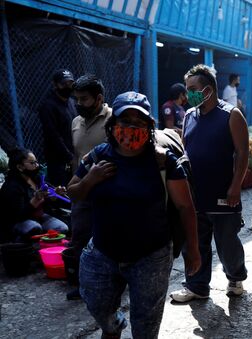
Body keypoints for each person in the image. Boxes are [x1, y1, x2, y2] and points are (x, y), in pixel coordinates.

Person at [68, 91, 200, 339]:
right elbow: (73, 193)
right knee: (97, 306)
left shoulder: (164, 161)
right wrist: (90, 179)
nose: (131, 129)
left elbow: (185, 207)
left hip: (151, 257)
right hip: (103, 253)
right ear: (112, 125)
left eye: (139, 122)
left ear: (149, 126)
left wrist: (193, 250)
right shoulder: (98, 156)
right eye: (125, 121)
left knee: (146, 325)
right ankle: (113, 326)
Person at [170, 64, 249, 302]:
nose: (188, 94)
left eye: (193, 88)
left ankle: (235, 277)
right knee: (195, 242)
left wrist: (235, 187)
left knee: (227, 243)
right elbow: (186, 149)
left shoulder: (231, 115)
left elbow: (243, 154)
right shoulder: (190, 116)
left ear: (208, 89)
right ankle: (197, 286)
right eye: (187, 89)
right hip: (195, 194)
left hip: (225, 194)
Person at [68, 74, 113, 300]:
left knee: (106, 238)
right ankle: (83, 284)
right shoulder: (76, 122)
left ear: (99, 98)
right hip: (83, 190)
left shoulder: (114, 119)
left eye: (83, 99)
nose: (78, 104)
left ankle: (111, 284)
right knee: (79, 236)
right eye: (76, 99)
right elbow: (77, 156)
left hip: (108, 191)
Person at [0, 148, 69, 242]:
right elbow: (17, 215)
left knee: (61, 228)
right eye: (32, 163)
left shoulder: (36, 179)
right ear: (20, 167)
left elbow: (47, 203)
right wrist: (34, 201)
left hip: (38, 217)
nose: (37, 166)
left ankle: (46, 249)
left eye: (36, 162)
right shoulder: (12, 186)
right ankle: (20, 246)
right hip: (18, 221)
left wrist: (55, 195)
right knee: (34, 228)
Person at [38, 69, 77, 186]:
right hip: (58, 159)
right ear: (55, 85)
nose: (68, 87)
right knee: (61, 190)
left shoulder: (72, 102)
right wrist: (68, 156)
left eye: (70, 83)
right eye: (63, 84)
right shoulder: (48, 106)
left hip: (73, 154)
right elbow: (53, 135)